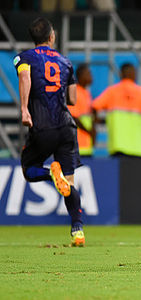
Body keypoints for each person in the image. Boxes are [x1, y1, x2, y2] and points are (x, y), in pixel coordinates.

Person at [14, 17, 84, 246]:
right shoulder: (65, 61)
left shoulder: (24, 58)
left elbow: (24, 76)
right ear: (52, 37)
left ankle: (51, 175)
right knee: (70, 183)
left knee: (29, 169)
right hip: (66, 127)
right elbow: (73, 99)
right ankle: (77, 230)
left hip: (42, 126)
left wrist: (25, 109)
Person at [92, 63, 141, 158]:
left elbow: (95, 106)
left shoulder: (112, 92)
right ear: (134, 74)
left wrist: (96, 122)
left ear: (121, 74)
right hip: (138, 148)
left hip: (117, 146)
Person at [68, 63, 95, 157]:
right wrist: (88, 131)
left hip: (86, 145)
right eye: (88, 74)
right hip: (77, 144)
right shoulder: (75, 93)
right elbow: (73, 116)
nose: (91, 76)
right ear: (80, 76)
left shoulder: (87, 93)